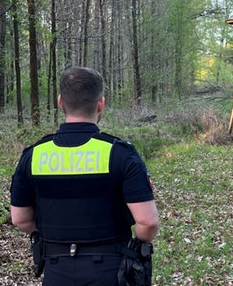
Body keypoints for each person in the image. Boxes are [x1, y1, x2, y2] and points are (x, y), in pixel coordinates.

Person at [10, 66, 159, 285]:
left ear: (60, 103)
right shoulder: (120, 154)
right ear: (101, 104)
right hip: (111, 270)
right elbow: (147, 222)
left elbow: (20, 219)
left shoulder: (33, 156)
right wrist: (137, 248)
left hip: (56, 271)